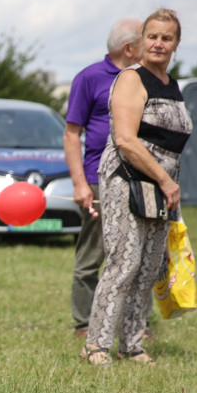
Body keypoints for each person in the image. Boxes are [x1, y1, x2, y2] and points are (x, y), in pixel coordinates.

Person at [82, 8, 192, 366]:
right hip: (126, 182)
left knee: (147, 268)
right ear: (141, 41)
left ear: (176, 43)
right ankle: (96, 345)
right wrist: (163, 178)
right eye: (153, 36)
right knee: (123, 263)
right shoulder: (132, 79)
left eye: (167, 38)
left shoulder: (172, 84)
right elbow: (126, 140)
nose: (159, 43)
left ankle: (132, 345)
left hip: (162, 190)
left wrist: (167, 183)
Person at [63, 19, 142, 337]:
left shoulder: (143, 79)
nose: (151, 47)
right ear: (129, 48)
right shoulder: (89, 78)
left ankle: (135, 323)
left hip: (137, 178)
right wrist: (80, 184)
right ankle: (85, 323)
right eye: (145, 41)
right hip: (98, 178)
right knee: (93, 253)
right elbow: (71, 135)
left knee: (136, 252)